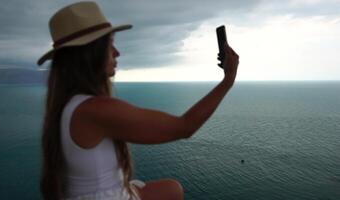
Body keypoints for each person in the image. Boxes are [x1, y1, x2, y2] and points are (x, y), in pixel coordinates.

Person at [37, 1, 239, 200]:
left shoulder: (67, 106)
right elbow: (184, 127)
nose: (117, 53)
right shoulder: (95, 110)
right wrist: (227, 81)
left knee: (172, 189)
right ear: (91, 53)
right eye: (110, 44)